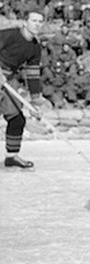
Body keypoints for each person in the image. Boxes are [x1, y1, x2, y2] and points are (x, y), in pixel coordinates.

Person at [0, 10, 46, 168]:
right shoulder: (10, 35)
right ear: (25, 22)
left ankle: (11, 157)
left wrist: (36, 102)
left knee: (17, 118)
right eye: (34, 20)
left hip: (8, 79)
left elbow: (33, 75)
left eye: (40, 22)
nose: (37, 24)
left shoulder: (35, 47)